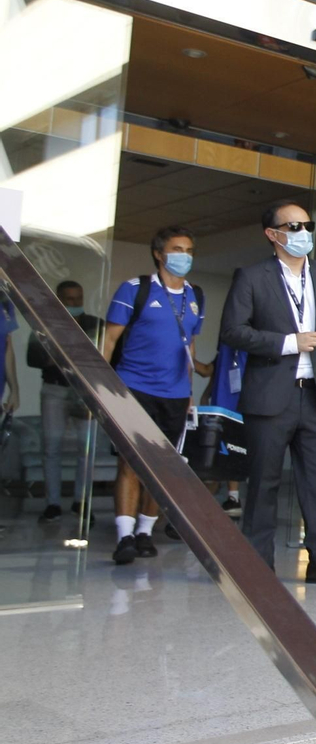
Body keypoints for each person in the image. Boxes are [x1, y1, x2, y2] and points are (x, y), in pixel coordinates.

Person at [219, 202, 316, 585]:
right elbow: (232, 330)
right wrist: (287, 342)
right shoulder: (251, 276)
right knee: (263, 482)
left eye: (307, 225)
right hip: (269, 396)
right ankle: (258, 565)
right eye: (293, 226)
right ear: (273, 234)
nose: (303, 232)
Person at [103, 229, 211, 565]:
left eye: (190, 250)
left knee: (163, 468)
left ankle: (145, 532)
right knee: (131, 463)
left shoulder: (196, 295)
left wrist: (189, 392)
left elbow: (189, 345)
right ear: (159, 254)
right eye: (177, 249)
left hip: (176, 395)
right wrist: (100, 390)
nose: (185, 256)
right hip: (134, 388)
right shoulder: (135, 289)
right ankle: (124, 537)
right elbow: (108, 340)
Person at [30, 280, 98, 523]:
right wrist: (58, 354)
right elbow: (33, 357)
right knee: (52, 447)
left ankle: (81, 502)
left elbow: (107, 357)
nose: (74, 303)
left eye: (78, 298)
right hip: (55, 390)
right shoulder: (45, 324)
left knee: (86, 449)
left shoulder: (93, 324)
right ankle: (53, 504)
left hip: (85, 393)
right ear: (58, 300)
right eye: (68, 299)